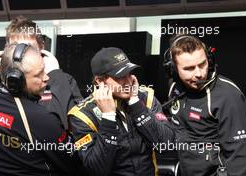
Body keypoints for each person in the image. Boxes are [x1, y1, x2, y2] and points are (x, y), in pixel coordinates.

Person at [68, 47, 175, 176]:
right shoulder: (83, 115)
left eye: (129, 73)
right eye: (120, 77)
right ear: (100, 81)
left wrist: (135, 104)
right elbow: (97, 169)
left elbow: (167, 144)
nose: (128, 81)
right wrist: (108, 118)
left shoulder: (146, 97)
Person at [163, 34, 246, 176]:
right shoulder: (174, 87)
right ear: (173, 69)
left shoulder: (227, 96)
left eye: (202, 64)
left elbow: (239, 157)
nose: (199, 74)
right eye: (189, 68)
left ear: (209, 59)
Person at [0, 43, 75, 175]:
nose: (46, 77)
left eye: (44, 70)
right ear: (15, 80)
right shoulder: (41, 119)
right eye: (38, 74)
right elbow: (73, 161)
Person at [0, 15, 83, 131]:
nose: (22, 53)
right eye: (16, 47)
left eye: (29, 47)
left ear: (41, 47)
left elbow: (72, 126)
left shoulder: (63, 80)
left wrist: (56, 77)